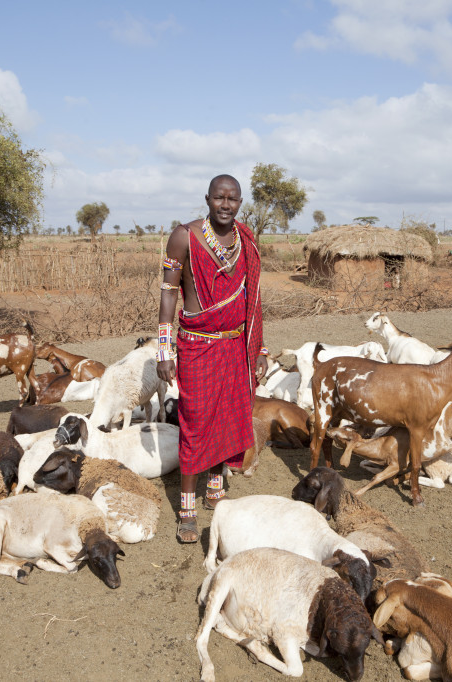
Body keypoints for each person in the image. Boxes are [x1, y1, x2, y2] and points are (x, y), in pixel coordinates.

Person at [156, 174, 267, 543]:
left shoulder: (244, 239)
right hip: (197, 345)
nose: (225, 205)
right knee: (196, 423)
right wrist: (163, 349)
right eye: (219, 198)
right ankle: (186, 509)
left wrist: (260, 349)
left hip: (235, 345)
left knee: (229, 418)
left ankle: (215, 488)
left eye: (232, 199)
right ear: (207, 199)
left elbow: (253, 299)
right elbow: (169, 293)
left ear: (239, 202)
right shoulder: (184, 237)